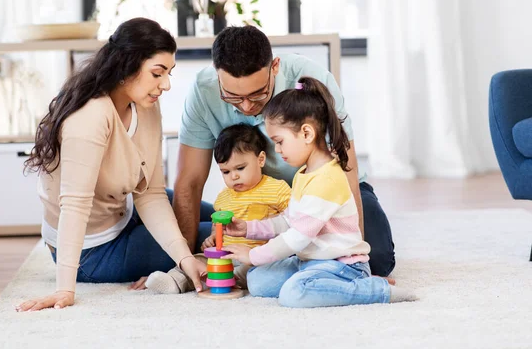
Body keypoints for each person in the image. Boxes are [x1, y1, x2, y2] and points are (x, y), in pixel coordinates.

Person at [16, 18, 209, 312]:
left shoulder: (146, 105)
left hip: (124, 209)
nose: (166, 85)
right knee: (211, 235)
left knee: (223, 217)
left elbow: (151, 193)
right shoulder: (90, 117)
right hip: (92, 250)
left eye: (168, 73)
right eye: (158, 73)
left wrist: (183, 258)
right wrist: (64, 289)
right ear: (127, 66)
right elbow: (75, 205)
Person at [174, 25, 396, 277]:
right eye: (233, 97)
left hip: (326, 194)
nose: (246, 106)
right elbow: (189, 182)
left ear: (275, 66)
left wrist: (356, 260)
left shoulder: (310, 80)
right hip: (258, 204)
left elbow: (346, 165)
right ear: (217, 76)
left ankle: (285, 252)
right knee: (197, 251)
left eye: (258, 94)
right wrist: (184, 260)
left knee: (376, 261)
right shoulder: (203, 91)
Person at [223, 77, 416, 308]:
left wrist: (253, 255)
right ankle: (327, 285)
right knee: (258, 281)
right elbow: (290, 222)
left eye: (280, 141)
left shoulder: (327, 179)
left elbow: (297, 237)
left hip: (342, 265)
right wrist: (249, 228)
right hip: (311, 260)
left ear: (306, 133)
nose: (277, 150)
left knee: (294, 294)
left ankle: (373, 289)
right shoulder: (304, 173)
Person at [145, 124, 291, 293]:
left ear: (260, 159)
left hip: (256, 256)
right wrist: (213, 238)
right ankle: (175, 280)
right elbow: (218, 227)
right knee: (197, 260)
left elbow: (293, 220)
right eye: (225, 172)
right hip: (224, 256)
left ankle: (222, 279)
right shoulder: (224, 196)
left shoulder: (277, 189)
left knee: (251, 271)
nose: (234, 176)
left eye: (240, 168)